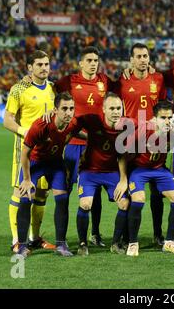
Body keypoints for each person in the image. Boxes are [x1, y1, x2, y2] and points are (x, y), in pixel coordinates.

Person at [54, 46, 115, 248]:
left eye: (95, 60)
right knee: (65, 191)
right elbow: (49, 87)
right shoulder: (69, 81)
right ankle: (62, 240)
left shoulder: (104, 81)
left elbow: (121, 89)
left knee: (94, 191)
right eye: (88, 60)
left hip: (96, 146)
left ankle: (95, 234)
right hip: (74, 144)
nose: (93, 63)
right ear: (80, 63)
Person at [3, 50, 56, 253]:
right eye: (40, 64)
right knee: (21, 191)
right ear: (29, 67)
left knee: (42, 192)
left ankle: (34, 238)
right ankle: (16, 240)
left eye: (47, 64)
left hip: (48, 150)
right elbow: (7, 120)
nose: (44, 68)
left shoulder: (53, 89)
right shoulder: (18, 89)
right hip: (25, 148)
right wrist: (26, 132)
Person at [16, 92, 80, 258]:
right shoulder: (41, 126)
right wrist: (28, 179)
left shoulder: (72, 123)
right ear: (55, 110)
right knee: (25, 198)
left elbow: (72, 134)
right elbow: (25, 153)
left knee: (62, 198)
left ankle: (61, 244)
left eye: (71, 108)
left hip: (55, 163)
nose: (68, 112)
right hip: (35, 163)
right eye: (64, 109)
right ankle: (22, 246)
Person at [126, 101, 174, 256]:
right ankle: (133, 243)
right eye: (163, 118)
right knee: (139, 199)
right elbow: (123, 155)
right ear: (154, 119)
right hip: (139, 170)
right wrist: (123, 179)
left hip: (159, 170)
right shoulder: (143, 130)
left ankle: (169, 243)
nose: (167, 121)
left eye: (170, 117)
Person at [116, 43, 167, 246]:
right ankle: (128, 237)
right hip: (131, 139)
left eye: (145, 56)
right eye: (138, 56)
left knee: (157, 191)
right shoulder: (122, 80)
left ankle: (157, 233)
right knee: (130, 190)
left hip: (156, 138)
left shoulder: (158, 79)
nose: (143, 60)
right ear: (131, 60)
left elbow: (164, 107)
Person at [75, 93, 130, 256]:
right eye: (112, 108)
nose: (115, 112)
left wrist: (123, 179)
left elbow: (122, 155)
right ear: (104, 109)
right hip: (89, 172)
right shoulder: (92, 120)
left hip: (112, 172)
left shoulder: (126, 127)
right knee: (86, 204)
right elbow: (70, 125)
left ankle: (115, 243)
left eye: (118, 108)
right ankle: (82, 243)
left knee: (124, 204)